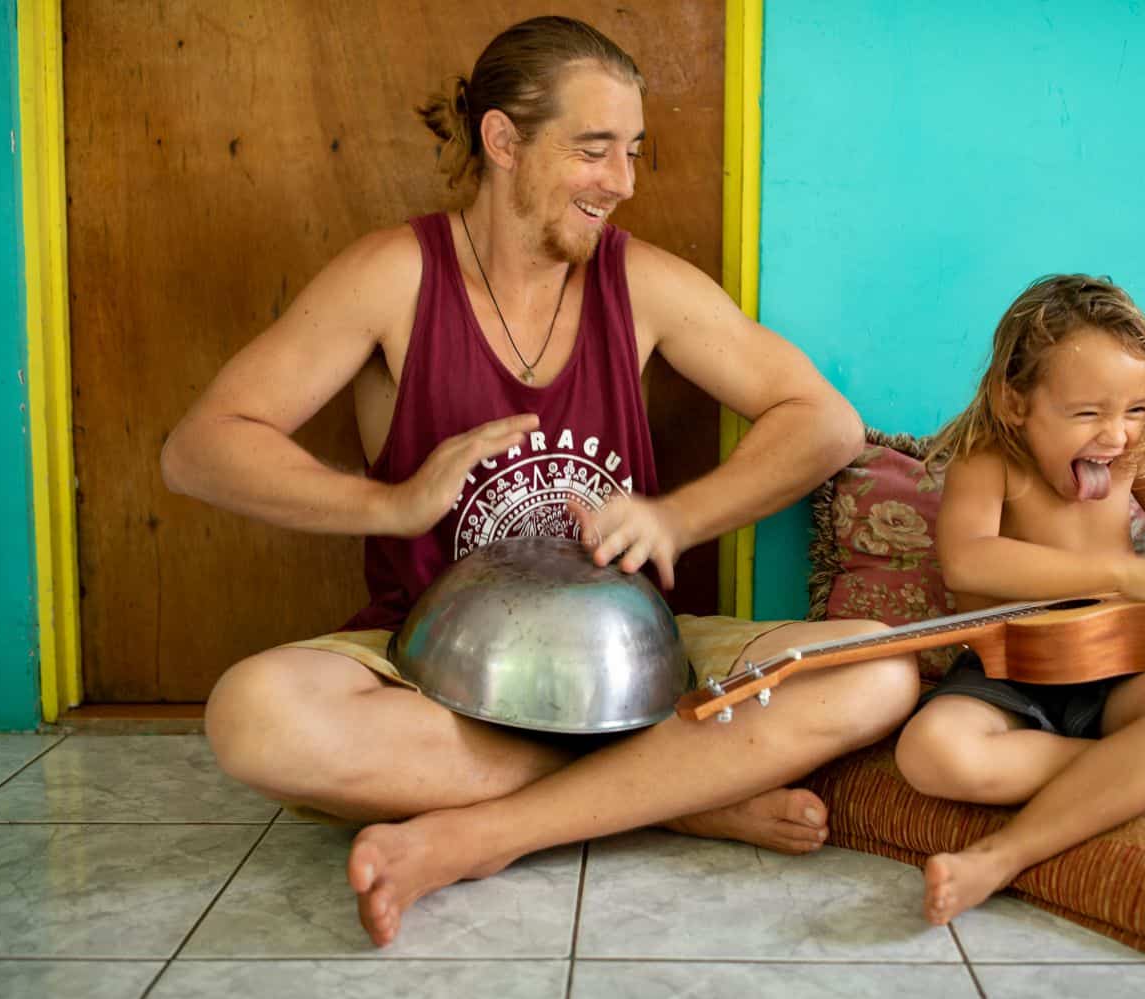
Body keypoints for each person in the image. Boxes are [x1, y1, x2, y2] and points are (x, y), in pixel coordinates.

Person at [160, 16, 919, 948]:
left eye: (632, 151)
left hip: (635, 665)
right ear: (503, 140)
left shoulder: (640, 284)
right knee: (253, 716)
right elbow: (202, 448)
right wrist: (391, 504)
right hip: (433, 674)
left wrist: (675, 518)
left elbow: (823, 423)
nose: (624, 182)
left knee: (879, 670)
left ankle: (489, 833)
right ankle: (669, 795)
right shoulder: (395, 276)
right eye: (594, 150)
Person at [892, 274, 1145, 926]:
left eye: (1135, 411)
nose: (1118, 436)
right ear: (1014, 401)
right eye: (1088, 414)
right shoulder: (990, 461)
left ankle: (1000, 855)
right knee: (929, 753)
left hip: (1115, 671)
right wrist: (1117, 573)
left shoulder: (1132, 462)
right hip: (1010, 671)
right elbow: (968, 558)